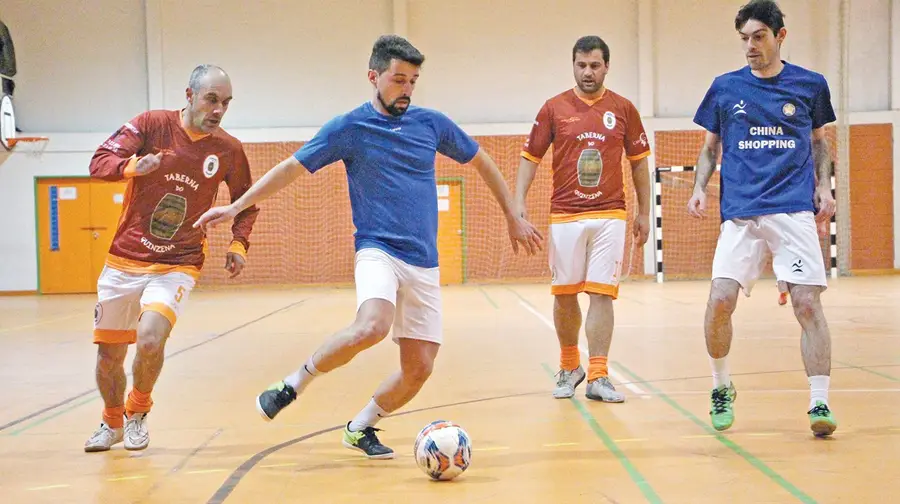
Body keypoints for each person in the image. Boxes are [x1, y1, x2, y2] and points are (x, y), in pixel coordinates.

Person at [194, 35, 543, 459]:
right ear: (373, 76)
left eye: (413, 81)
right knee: (372, 325)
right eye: (399, 80)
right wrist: (236, 206)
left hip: (425, 263)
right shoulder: (349, 129)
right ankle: (292, 385)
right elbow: (290, 169)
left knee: (419, 369)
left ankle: (361, 427)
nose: (407, 90)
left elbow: (482, 161)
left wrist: (512, 215)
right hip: (377, 249)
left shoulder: (431, 124)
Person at [84, 64, 260, 452]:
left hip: (178, 262)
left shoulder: (227, 149)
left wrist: (238, 244)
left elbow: (247, 202)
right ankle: (111, 421)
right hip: (124, 260)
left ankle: (137, 412)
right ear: (190, 95)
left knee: (150, 339)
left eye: (226, 103)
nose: (218, 110)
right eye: (212, 99)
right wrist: (132, 166)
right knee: (109, 356)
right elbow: (98, 162)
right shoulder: (151, 125)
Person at [687, 0, 838, 437]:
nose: (750, 47)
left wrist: (823, 185)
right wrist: (699, 187)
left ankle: (819, 401)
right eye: (744, 39)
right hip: (740, 214)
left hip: (792, 209)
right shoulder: (724, 88)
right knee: (719, 300)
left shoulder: (810, 85)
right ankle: (721, 387)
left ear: (780, 36)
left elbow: (820, 141)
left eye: (758, 37)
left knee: (807, 304)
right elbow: (710, 148)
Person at [515, 36, 651, 403]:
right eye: (581, 65)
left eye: (594, 65)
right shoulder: (553, 108)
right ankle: (569, 364)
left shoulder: (623, 109)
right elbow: (531, 157)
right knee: (564, 295)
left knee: (602, 294)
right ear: (572, 65)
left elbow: (639, 163)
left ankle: (599, 374)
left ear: (607, 66)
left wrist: (644, 211)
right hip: (565, 213)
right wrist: (518, 204)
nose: (587, 72)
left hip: (611, 213)